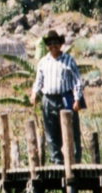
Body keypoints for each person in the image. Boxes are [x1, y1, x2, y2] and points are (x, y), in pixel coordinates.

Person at [30, 30, 83, 165]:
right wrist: (34, 94)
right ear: (47, 46)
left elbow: (77, 80)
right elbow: (38, 81)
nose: (53, 46)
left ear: (60, 45)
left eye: (55, 43)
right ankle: (57, 161)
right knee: (51, 131)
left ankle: (75, 159)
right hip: (48, 99)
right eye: (50, 44)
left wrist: (77, 99)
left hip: (65, 98)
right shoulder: (43, 62)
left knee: (71, 128)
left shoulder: (68, 60)